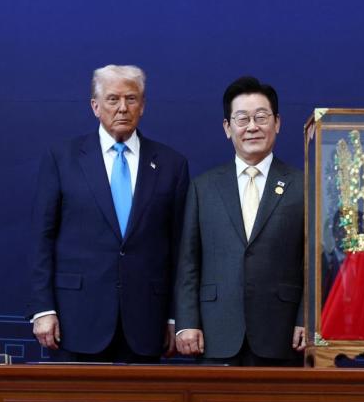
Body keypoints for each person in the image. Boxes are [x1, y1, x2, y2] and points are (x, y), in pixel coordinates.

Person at [27, 65, 189, 362]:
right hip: (75, 319)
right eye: (113, 99)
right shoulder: (62, 158)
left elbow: (180, 248)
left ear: (143, 105)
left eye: (131, 99)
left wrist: (175, 317)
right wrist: (43, 308)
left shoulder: (172, 164)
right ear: (95, 106)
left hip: (146, 322)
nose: (123, 108)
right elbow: (42, 238)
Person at [174, 76, 305, 366]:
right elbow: (188, 262)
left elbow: (313, 262)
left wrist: (307, 318)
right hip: (215, 332)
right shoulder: (203, 187)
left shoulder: (304, 185)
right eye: (242, 118)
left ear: (278, 123)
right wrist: (187, 322)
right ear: (227, 127)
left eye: (261, 117)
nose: (252, 127)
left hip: (282, 334)